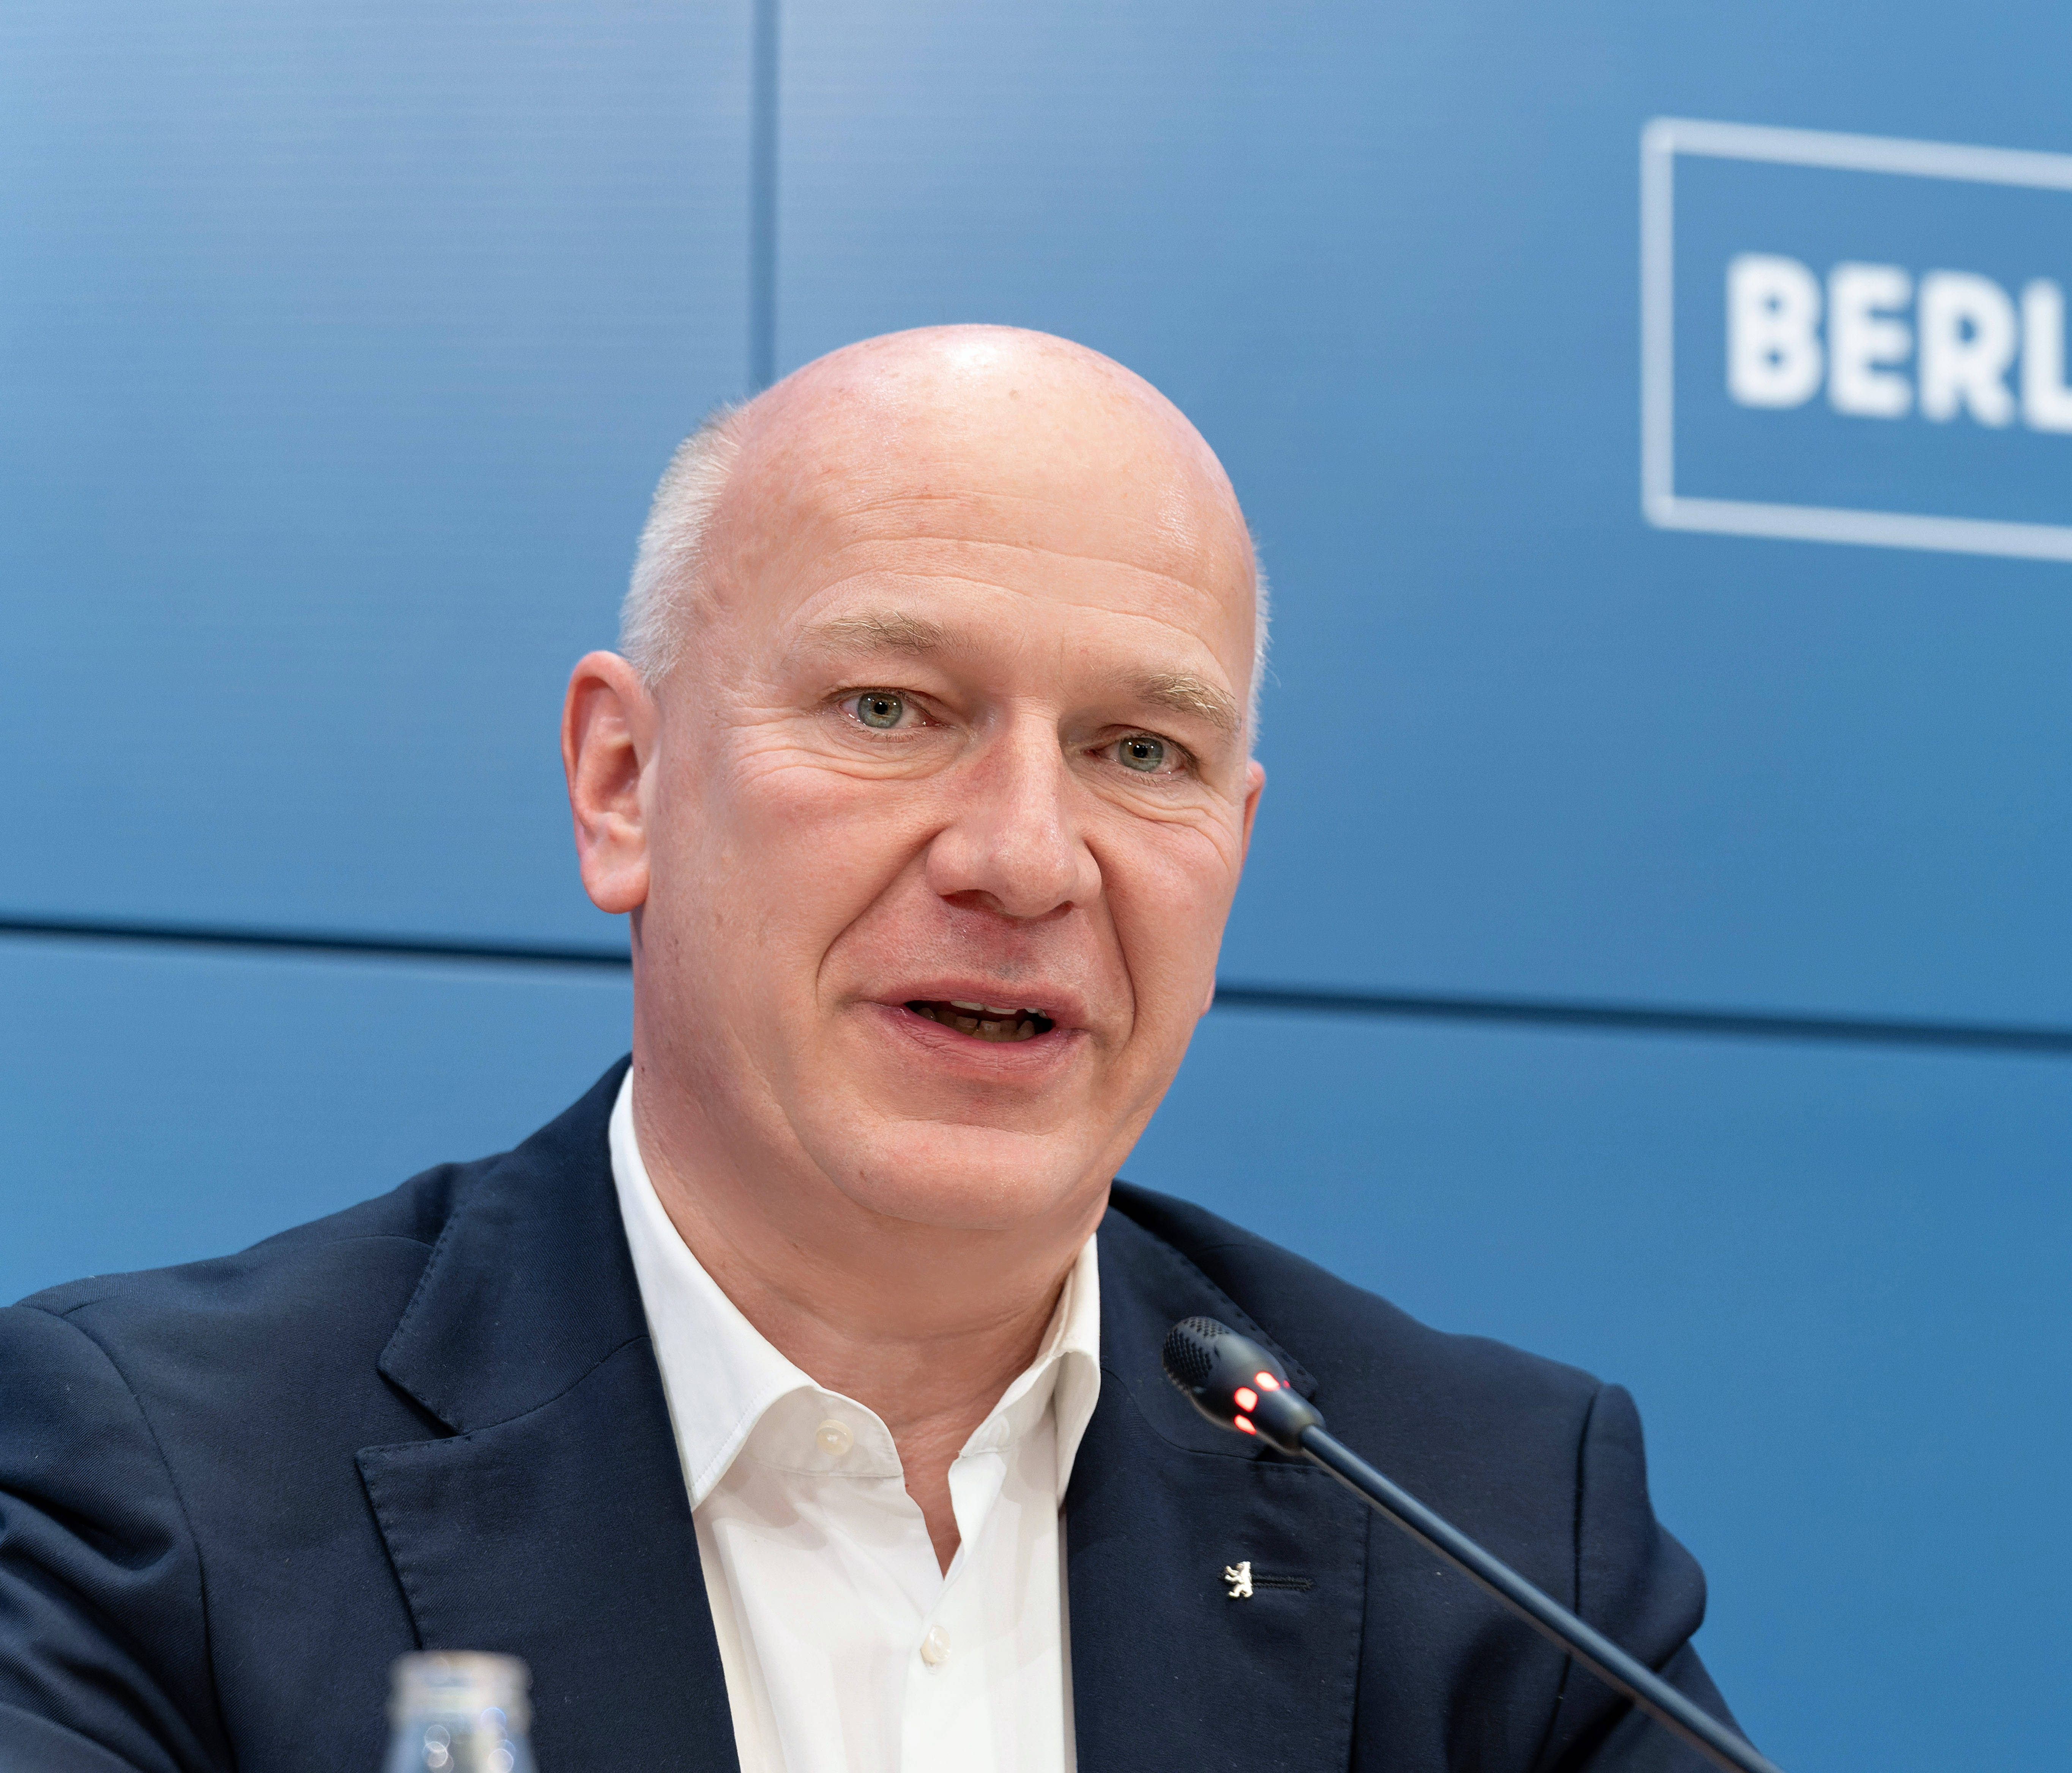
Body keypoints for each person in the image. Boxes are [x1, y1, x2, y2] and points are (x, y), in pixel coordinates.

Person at [0, 328, 1741, 1772]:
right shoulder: (157, 1493)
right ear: (625, 785)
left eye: (1143, 751)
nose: (1028, 858)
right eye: (891, 711)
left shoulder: (1499, 1527)